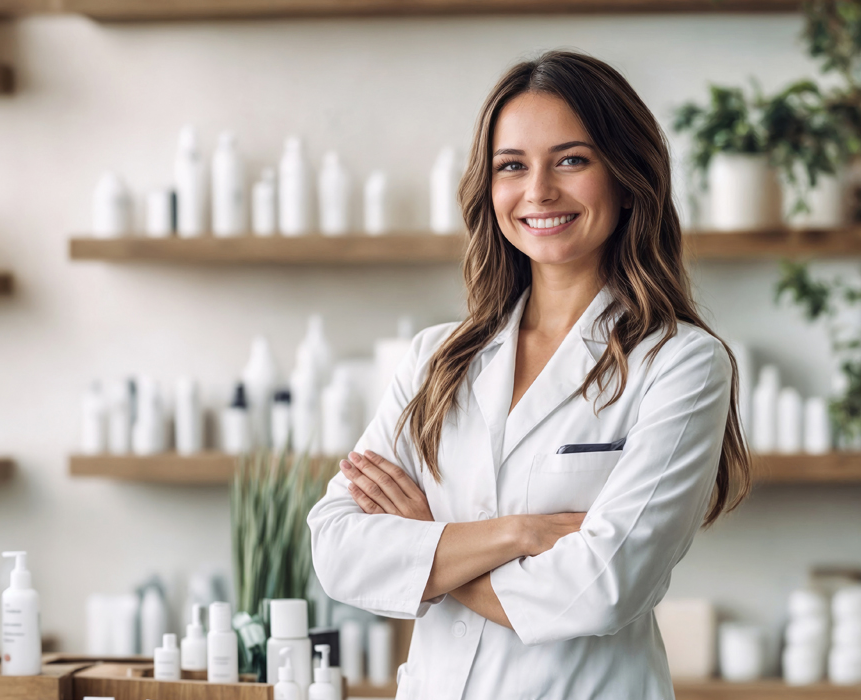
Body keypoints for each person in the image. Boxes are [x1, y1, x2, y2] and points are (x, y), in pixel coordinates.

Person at [307, 51, 751, 699]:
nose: (538, 191)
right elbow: (339, 551)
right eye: (512, 166)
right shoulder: (437, 358)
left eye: (571, 160)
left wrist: (429, 549)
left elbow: (601, 588)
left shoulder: (681, 365)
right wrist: (520, 534)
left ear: (628, 179)